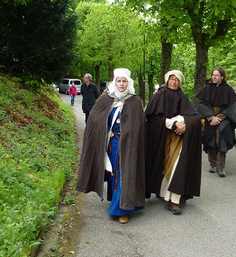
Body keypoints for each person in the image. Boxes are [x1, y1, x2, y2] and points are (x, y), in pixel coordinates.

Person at [76, 68, 146, 224]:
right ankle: (116, 200)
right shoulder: (106, 98)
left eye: (124, 81)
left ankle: (122, 209)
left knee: (125, 174)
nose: (121, 84)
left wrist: (129, 133)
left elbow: (140, 126)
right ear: (115, 82)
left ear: (129, 83)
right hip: (112, 144)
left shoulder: (135, 101)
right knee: (115, 173)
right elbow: (95, 120)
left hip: (129, 145)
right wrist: (107, 132)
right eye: (119, 81)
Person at [145, 70, 202, 215]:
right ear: (167, 80)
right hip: (161, 138)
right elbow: (152, 118)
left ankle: (173, 200)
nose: (174, 82)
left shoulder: (183, 97)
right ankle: (162, 191)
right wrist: (173, 123)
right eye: (171, 78)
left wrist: (185, 125)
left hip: (179, 140)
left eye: (177, 79)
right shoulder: (159, 95)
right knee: (163, 166)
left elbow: (195, 117)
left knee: (177, 166)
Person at [196, 67, 236, 177]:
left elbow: (231, 106)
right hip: (210, 119)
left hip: (224, 119)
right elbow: (201, 105)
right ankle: (212, 164)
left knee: (222, 143)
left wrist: (219, 117)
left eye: (217, 75)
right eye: (213, 74)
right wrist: (211, 117)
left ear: (222, 77)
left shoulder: (228, 90)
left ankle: (221, 168)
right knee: (211, 142)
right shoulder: (206, 89)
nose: (214, 77)